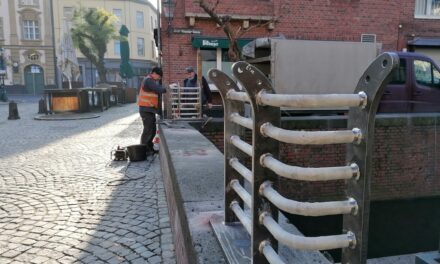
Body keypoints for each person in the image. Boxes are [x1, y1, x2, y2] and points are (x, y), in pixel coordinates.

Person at [138, 67, 166, 153]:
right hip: (146, 110)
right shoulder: (149, 80)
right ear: (154, 73)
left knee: (152, 130)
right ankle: (143, 150)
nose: (159, 79)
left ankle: (149, 148)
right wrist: (167, 88)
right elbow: (159, 90)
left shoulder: (151, 81)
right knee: (148, 130)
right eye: (159, 77)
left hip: (149, 110)